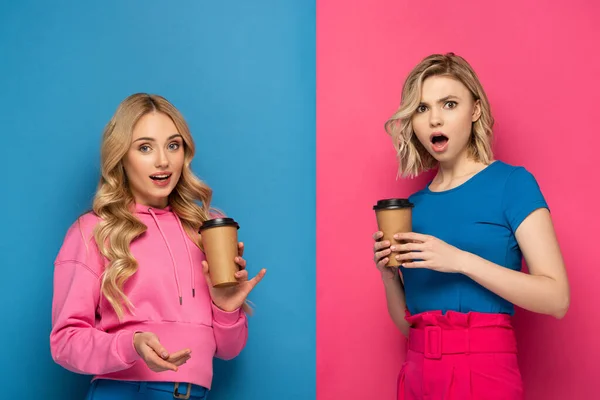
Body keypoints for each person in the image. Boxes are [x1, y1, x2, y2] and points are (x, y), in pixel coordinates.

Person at [372, 53, 570, 399]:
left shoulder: (512, 184)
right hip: (418, 373)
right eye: (422, 108)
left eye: (449, 104)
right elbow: (409, 324)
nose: (435, 119)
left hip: (483, 373)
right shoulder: (411, 208)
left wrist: (459, 260)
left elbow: (557, 298)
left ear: (475, 111)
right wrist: (388, 274)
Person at [50, 93, 266, 399]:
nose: (163, 160)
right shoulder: (93, 230)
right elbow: (65, 341)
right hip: (125, 391)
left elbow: (228, 351)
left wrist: (226, 308)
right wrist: (131, 344)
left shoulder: (204, 229)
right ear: (121, 156)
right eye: (145, 147)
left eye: (173, 145)